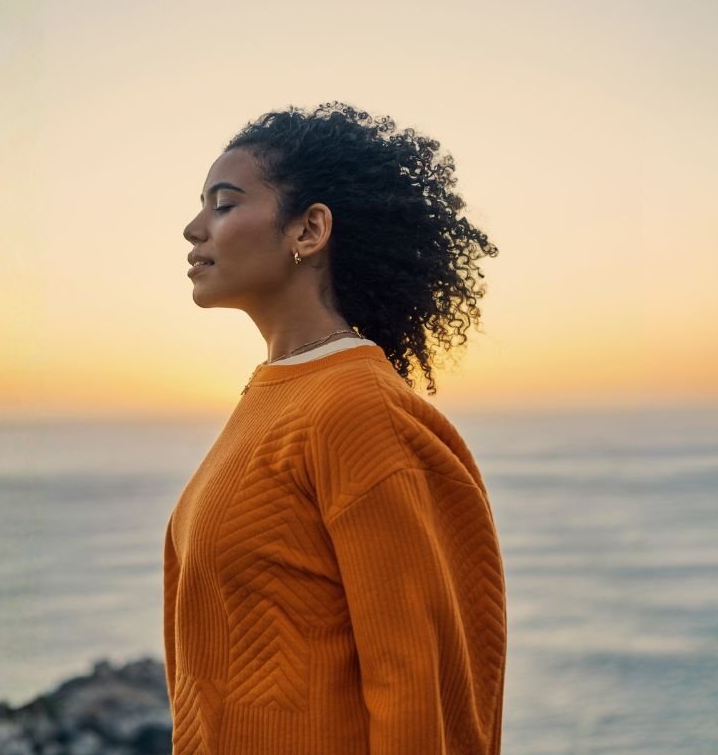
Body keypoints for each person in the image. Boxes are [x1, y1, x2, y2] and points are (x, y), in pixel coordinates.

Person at [166, 101, 506, 754]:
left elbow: (415, 686)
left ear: (310, 229)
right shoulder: (276, 396)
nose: (192, 228)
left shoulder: (356, 410)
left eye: (224, 203)